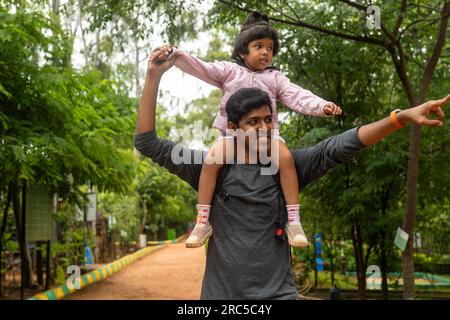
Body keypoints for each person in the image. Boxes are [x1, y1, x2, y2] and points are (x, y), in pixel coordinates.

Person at [135, 48, 448, 299]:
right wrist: (153, 77)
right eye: (253, 122)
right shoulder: (211, 168)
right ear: (233, 128)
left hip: (280, 294)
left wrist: (400, 117)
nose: (264, 128)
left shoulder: (289, 167)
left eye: (267, 120)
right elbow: (147, 142)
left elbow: (342, 145)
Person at [157, 11, 342, 249]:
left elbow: (298, 95)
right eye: (259, 46)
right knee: (211, 161)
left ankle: (294, 222)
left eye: (270, 48)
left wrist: (322, 106)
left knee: (285, 158)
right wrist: (177, 55)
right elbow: (202, 68)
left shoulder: (275, 78)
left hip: (267, 137)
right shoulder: (229, 71)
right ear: (243, 51)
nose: (266, 52)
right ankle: (202, 222)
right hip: (233, 136)